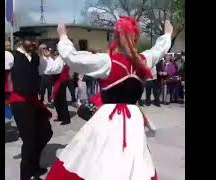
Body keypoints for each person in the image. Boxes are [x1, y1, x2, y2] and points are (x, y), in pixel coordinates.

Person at [46, 17, 172, 180]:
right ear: (135, 37)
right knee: (131, 159)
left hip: (109, 119)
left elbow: (73, 58)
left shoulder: (108, 62)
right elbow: (158, 50)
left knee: (97, 157)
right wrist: (167, 35)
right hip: (133, 119)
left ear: (116, 37)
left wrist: (63, 36)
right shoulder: (143, 60)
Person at [6, 31, 53, 180]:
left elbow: (53, 68)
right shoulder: (11, 56)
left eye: (35, 40)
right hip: (20, 103)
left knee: (46, 132)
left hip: (34, 102)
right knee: (30, 140)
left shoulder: (36, 58)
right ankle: (25, 175)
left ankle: (33, 165)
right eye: (30, 40)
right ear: (21, 41)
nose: (33, 43)